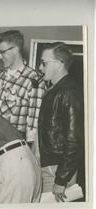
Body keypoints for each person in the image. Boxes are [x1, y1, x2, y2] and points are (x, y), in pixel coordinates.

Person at [0, 30, 46, 153]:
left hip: (13, 146)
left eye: (2, 52)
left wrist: (30, 155)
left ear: (16, 49)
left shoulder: (34, 81)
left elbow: (33, 125)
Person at [38, 42, 83, 202]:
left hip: (57, 169)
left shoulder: (69, 92)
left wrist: (61, 179)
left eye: (44, 63)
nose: (40, 68)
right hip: (52, 166)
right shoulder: (56, 90)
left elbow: (74, 141)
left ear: (59, 64)